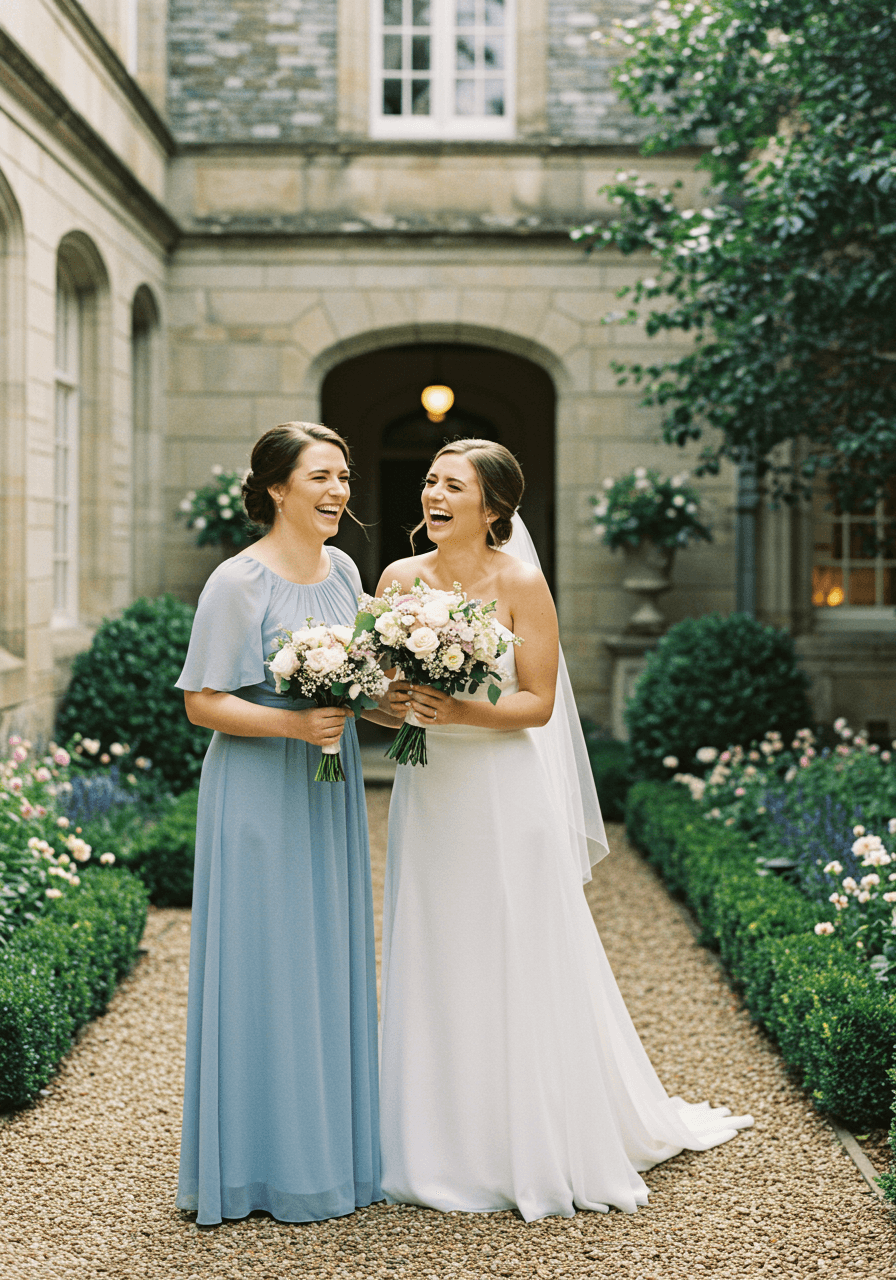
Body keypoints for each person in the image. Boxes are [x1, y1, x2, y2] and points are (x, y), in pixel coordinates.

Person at [378, 438, 752, 1222]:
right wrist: (385, 699)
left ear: (493, 507)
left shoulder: (521, 583)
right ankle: (433, 1139)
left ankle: (529, 1136)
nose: (434, 495)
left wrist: (461, 707)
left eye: (453, 485)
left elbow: (537, 704)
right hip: (431, 787)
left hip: (500, 791)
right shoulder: (397, 580)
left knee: (512, 944)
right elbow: (383, 693)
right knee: (434, 941)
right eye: (429, 481)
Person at [175, 422, 389, 1225]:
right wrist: (294, 726)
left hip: (325, 792)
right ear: (276, 489)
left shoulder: (343, 569)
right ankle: (260, 1170)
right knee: (268, 965)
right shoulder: (238, 582)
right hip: (259, 791)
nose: (338, 492)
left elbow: (360, 679)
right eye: (321, 478)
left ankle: (331, 1155)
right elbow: (203, 702)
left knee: (325, 961)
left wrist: (396, 696)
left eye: (344, 477)